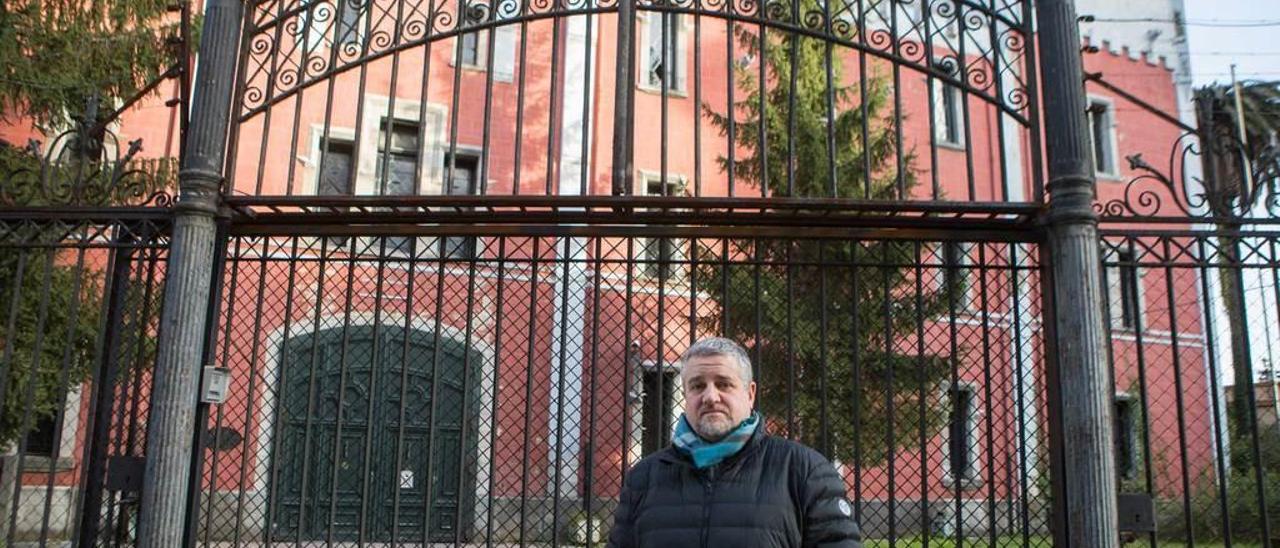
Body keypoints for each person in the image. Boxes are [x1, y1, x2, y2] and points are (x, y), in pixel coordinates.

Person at [606, 337, 862, 548]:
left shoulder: (803, 471)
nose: (710, 397)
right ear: (685, 395)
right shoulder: (644, 477)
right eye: (697, 386)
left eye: (723, 384)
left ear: (750, 394)